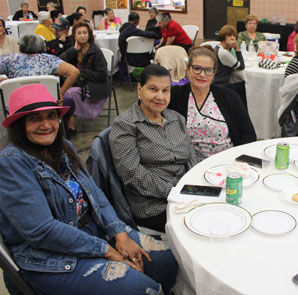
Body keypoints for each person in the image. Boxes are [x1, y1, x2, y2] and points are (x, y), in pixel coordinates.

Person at [0, 84, 178, 295]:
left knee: (168, 261)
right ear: (19, 125)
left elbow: (95, 195)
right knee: (141, 289)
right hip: (50, 257)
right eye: (34, 119)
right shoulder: (11, 164)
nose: (46, 125)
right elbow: (43, 231)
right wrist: (107, 251)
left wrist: (119, 233)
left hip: (93, 232)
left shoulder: (63, 147)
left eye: (51, 116)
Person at [110, 65, 198, 232]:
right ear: (139, 89)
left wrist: (197, 186)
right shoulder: (126, 125)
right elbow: (132, 174)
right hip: (152, 205)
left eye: (165, 91)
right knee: (201, 226)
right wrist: (175, 192)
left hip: (186, 192)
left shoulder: (176, 118)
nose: (160, 96)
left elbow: (190, 155)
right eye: (153, 89)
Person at [169, 46, 256, 159]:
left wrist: (237, 160)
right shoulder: (175, 95)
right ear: (188, 69)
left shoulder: (229, 96)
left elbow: (248, 134)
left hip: (227, 160)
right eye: (197, 68)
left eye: (208, 70)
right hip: (189, 164)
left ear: (214, 73)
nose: (202, 74)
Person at [60, 22, 110, 138]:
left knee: (68, 93)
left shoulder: (95, 51)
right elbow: (59, 62)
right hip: (79, 83)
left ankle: (71, 126)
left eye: (85, 33)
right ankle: (67, 123)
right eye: (79, 33)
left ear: (89, 35)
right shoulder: (74, 49)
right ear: (75, 36)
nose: (82, 36)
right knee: (61, 91)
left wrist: (80, 73)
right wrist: (73, 50)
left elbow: (102, 74)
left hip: (95, 86)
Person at [0, 34, 79, 104]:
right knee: (69, 102)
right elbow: (74, 72)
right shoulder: (49, 60)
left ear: (20, 46)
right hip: (46, 104)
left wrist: (5, 82)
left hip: (16, 106)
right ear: (41, 46)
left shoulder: (9, 59)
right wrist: (61, 93)